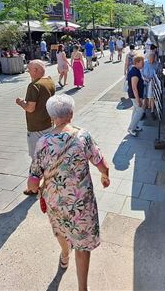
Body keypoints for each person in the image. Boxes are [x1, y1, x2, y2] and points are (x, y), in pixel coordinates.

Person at [29, 94, 109, 291]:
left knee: (61, 230)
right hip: (81, 203)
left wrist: (37, 187)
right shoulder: (83, 136)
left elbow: (32, 182)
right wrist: (105, 176)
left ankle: (64, 254)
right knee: (82, 246)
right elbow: (102, 164)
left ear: (51, 117)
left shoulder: (43, 142)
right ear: (71, 114)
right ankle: (83, 288)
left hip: (55, 201)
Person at [16, 60, 56, 195]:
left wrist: (21, 103)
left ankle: (33, 188)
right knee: (48, 156)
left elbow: (30, 108)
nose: (28, 72)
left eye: (29, 69)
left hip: (36, 128)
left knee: (36, 159)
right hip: (49, 124)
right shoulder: (49, 81)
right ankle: (49, 181)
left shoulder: (34, 86)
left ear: (36, 71)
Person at [126, 55, 145, 137]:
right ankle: (131, 128)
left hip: (134, 94)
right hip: (134, 95)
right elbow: (134, 87)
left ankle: (134, 125)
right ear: (137, 63)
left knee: (135, 110)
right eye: (142, 62)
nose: (143, 64)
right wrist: (138, 99)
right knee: (140, 111)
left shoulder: (136, 70)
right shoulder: (135, 72)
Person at [142, 52, 160, 120]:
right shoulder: (144, 63)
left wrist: (154, 79)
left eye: (152, 59)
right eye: (150, 59)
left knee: (152, 98)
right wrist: (145, 79)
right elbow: (141, 73)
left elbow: (158, 74)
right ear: (148, 58)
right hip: (144, 83)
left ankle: (152, 112)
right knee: (144, 98)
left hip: (152, 83)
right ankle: (143, 112)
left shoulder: (157, 64)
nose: (151, 61)